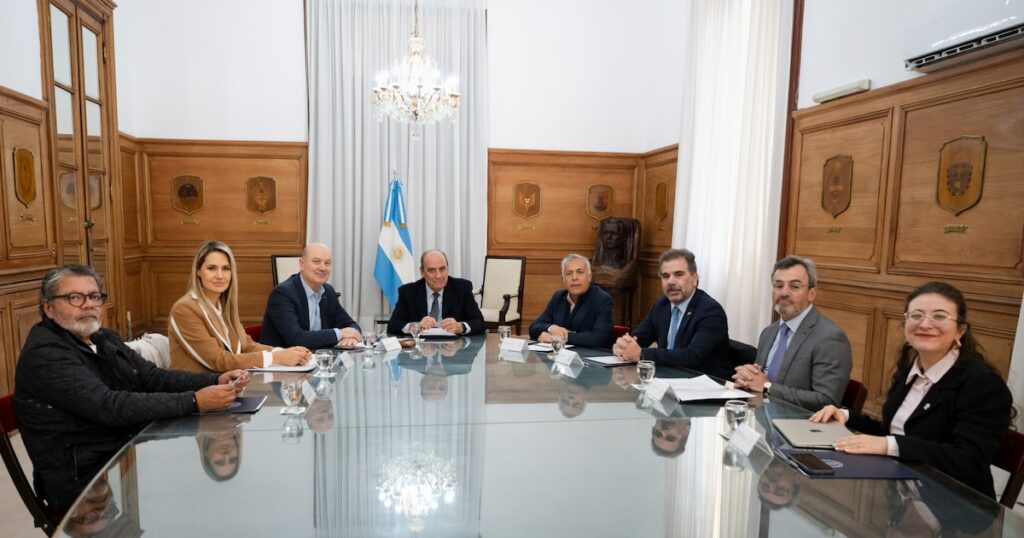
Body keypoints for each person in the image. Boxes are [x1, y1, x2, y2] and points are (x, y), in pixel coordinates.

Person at [13, 264, 250, 515]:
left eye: (94, 296)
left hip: (121, 450)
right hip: (83, 482)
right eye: (74, 298)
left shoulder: (102, 338)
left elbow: (152, 377)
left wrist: (214, 380)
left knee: (216, 493)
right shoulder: (46, 354)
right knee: (191, 497)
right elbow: (109, 406)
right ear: (48, 308)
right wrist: (194, 401)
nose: (88, 305)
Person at [810, 281, 1014, 498]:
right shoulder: (912, 370)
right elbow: (897, 432)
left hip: (955, 504)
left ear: (960, 330)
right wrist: (846, 415)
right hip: (902, 491)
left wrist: (887, 445)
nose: (925, 324)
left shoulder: (983, 384)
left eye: (939, 316)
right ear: (905, 325)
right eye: (916, 315)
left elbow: (969, 460)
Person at [169, 240, 310, 372]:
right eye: (211, 268)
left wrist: (285, 352)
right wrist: (276, 357)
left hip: (227, 384)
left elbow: (247, 345)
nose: (220, 275)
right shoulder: (184, 309)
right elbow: (218, 360)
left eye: (226, 269)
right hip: (197, 388)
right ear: (198, 271)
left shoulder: (223, 306)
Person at [732, 256, 852, 410]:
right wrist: (747, 380)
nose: (784, 292)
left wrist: (767, 387)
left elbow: (827, 400)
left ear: (811, 294)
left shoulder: (830, 338)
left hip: (801, 423)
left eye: (795, 286)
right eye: (778, 285)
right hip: (761, 415)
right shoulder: (769, 332)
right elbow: (760, 383)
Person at [612, 248, 732, 378]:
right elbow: (639, 337)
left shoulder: (711, 311)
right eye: (665, 276)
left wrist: (642, 354)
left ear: (694, 278)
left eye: (679, 274)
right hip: (666, 379)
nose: (671, 281)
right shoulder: (662, 304)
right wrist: (624, 345)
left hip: (703, 382)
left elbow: (692, 357)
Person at [259, 242, 362, 349]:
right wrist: (340, 334)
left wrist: (351, 338)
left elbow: (351, 325)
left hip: (318, 356)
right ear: (302, 264)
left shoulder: (328, 291)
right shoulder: (282, 294)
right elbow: (296, 339)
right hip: (283, 357)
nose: (323, 268)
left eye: (327, 263)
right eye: (316, 261)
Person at [387, 250, 485, 335]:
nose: (438, 276)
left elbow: (480, 323)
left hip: (454, 347)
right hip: (421, 348)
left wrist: (460, 327)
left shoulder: (462, 288)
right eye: (431, 270)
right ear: (422, 272)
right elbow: (393, 325)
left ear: (447, 268)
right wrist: (416, 326)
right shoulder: (408, 292)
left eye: (442, 269)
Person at [529, 253, 614, 348]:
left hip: (593, 355)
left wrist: (561, 337)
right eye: (569, 273)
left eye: (580, 272)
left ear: (589, 277)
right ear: (564, 279)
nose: (574, 278)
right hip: (562, 354)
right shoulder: (558, 297)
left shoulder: (602, 300)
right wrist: (552, 328)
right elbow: (534, 327)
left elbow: (598, 338)